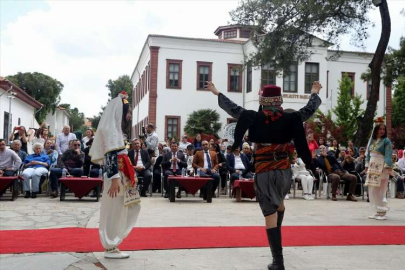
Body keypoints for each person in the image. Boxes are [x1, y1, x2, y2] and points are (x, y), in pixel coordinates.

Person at [207, 79, 322, 270]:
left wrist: (217, 92)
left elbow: (233, 109)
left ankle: (278, 261)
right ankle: (278, 249)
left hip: (265, 170)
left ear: (263, 100)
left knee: (269, 212)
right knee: (279, 204)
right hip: (285, 170)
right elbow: (309, 109)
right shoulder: (291, 118)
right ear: (279, 100)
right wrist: (314, 92)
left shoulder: (253, 117)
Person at [89, 91, 141, 259]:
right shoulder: (111, 130)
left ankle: (113, 243)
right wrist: (115, 180)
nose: (129, 116)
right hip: (116, 177)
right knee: (114, 210)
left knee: (129, 206)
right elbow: (111, 155)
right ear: (119, 110)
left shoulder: (116, 130)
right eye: (128, 111)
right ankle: (111, 245)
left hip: (121, 176)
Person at [365, 118, 393, 220]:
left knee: (381, 189)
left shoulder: (386, 141)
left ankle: (383, 211)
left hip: (381, 166)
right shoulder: (372, 141)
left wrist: (387, 166)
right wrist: (366, 165)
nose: (382, 131)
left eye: (383, 129)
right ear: (375, 130)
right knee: (372, 190)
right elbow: (368, 154)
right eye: (380, 129)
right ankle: (377, 210)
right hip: (372, 167)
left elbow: (388, 155)